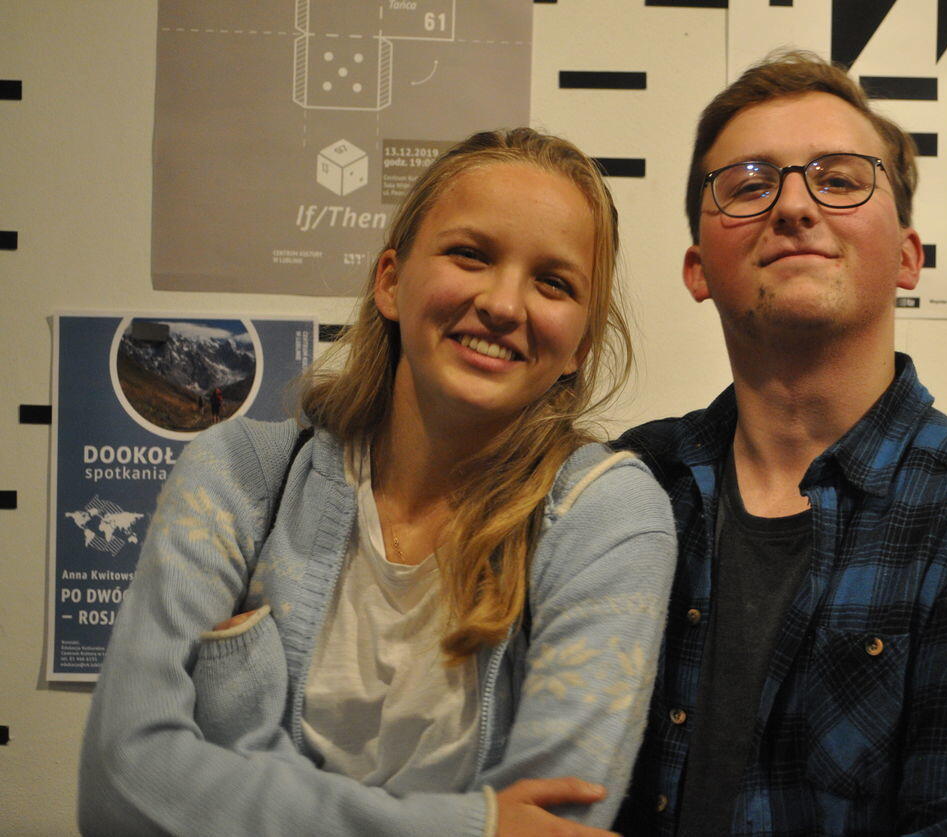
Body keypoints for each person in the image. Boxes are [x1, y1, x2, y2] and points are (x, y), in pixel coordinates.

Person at [79, 128, 677, 836]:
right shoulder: (238, 471)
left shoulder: (607, 515)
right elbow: (120, 785)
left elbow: (556, 827)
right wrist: (470, 826)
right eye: (471, 254)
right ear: (390, 281)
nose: (504, 304)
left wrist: (235, 775)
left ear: (581, 343)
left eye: (553, 282)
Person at [613, 51, 947, 835]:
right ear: (698, 269)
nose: (794, 206)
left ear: (908, 256)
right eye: (750, 185)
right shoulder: (628, 485)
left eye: (838, 180)